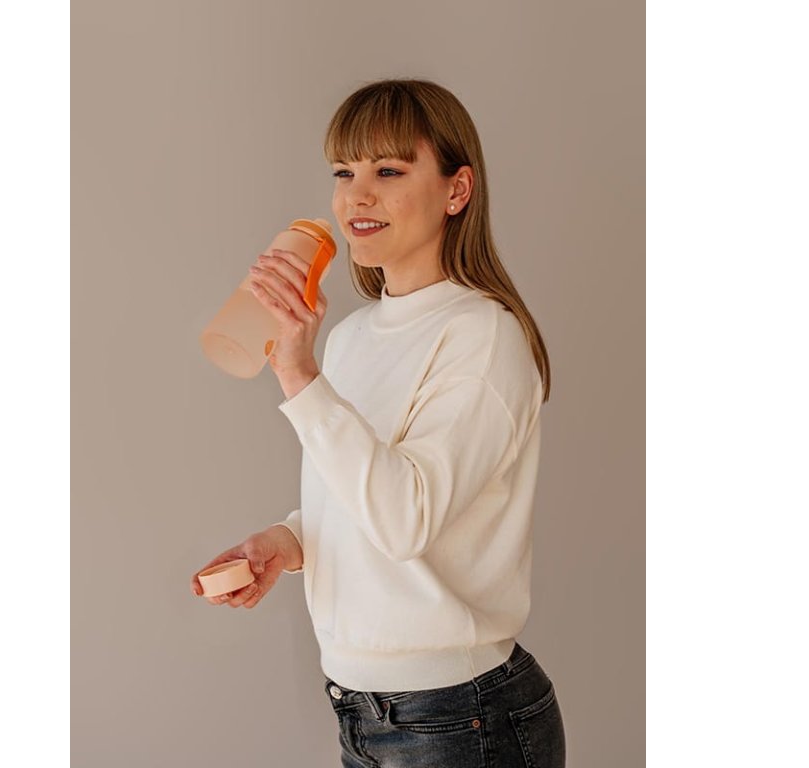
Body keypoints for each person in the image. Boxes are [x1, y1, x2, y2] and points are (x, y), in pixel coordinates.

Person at [192, 78, 565, 768]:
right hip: (365, 711)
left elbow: (405, 519)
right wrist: (287, 541)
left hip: (458, 720)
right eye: (344, 172)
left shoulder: (482, 337)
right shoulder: (351, 337)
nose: (355, 196)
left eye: (388, 171)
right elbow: (361, 492)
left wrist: (298, 376)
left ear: (457, 191)